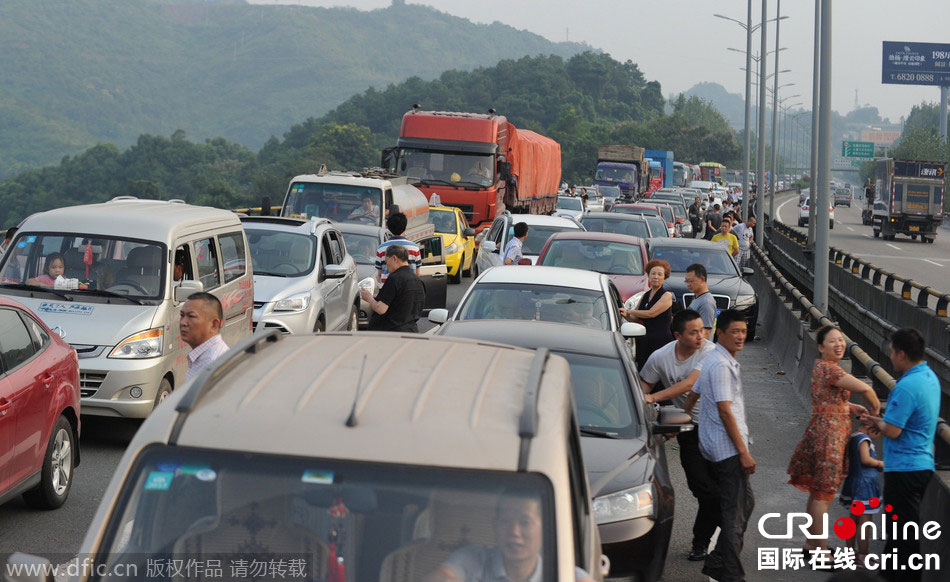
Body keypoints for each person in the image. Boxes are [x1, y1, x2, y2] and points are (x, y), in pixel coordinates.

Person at [786, 326, 881, 552]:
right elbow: (865, 389)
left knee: (817, 492)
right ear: (820, 347)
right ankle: (821, 550)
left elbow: (827, 398)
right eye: (832, 341)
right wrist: (876, 411)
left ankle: (812, 544)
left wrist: (848, 406)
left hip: (820, 433)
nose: (839, 345)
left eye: (841, 340)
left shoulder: (821, 368)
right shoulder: (832, 371)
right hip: (830, 438)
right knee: (823, 495)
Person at [860, 328, 940, 582]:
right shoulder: (929, 377)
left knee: (900, 533)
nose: (891, 357)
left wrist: (876, 421)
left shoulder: (906, 386)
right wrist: (882, 422)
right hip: (922, 463)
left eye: (892, 352)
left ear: (902, 354)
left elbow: (893, 430)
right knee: (905, 529)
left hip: (904, 469)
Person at [639, 309, 717, 561]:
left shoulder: (710, 351)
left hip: (718, 428)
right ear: (677, 335)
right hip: (688, 428)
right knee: (702, 487)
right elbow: (642, 387)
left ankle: (702, 543)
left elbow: (690, 384)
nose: (700, 337)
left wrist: (653, 398)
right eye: (693, 332)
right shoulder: (660, 357)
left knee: (718, 492)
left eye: (702, 330)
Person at [685, 309, 753, 582]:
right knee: (734, 515)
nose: (740, 337)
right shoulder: (722, 365)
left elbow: (694, 393)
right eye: (734, 331)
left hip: (715, 445)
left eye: (744, 332)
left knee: (745, 503)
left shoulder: (714, 358)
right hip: (727, 449)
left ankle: (716, 563)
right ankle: (730, 574)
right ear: (720, 333)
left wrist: (683, 417)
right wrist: (744, 452)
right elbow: (726, 410)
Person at [424, 487, 592, 582]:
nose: (514, 531)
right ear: (495, 526)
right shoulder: (472, 560)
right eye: (505, 521)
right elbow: (443, 576)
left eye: (524, 522)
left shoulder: (566, 575)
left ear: (545, 527)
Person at [839, 429, 884, 564]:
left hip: (855, 482)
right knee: (865, 522)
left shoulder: (854, 437)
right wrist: (880, 464)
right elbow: (865, 459)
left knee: (853, 521)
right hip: (865, 486)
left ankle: (850, 552)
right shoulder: (864, 440)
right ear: (872, 428)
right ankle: (863, 554)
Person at [619, 259, 673, 370]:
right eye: (653, 273)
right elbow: (635, 318)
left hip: (660, 341)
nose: (656, 277)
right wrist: (625, 314)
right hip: (644, 340)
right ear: (648, 275)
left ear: (664, 277)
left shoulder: (667, 296)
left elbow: (651, 313)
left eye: (659, 274)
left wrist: (630, 311)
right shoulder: (645, 295)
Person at [361, 245, 425, 332]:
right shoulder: (418, 281)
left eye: (386, 261)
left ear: (394, 258)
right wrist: (378, 296)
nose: (386, 266)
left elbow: (381, 309)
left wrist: (369, 298)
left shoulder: (394, 278)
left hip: (390, 333)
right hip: (411, 331)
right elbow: (402, 300)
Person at [180, 292, 229, 381]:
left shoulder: (212, 365)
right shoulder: (205, 357)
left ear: (214, 324)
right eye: (182, 315)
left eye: (191, 316)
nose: (183, 322)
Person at [376, 212, 422, 285]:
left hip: (387, 290)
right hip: (408, 289)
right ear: (405, 228)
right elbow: (417, 273)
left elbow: (379, 273)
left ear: (389, 228)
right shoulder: (414, 248)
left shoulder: (381, 248)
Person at [685, 264, 716, 339]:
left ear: (702, 279)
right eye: (686, 281)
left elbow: (706, 333)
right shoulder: (696, 297)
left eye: (691, 281)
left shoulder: (706, 303)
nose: (688, 285)